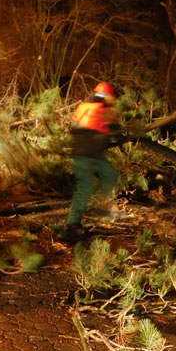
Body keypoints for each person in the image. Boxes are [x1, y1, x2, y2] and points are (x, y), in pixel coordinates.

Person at [64, 81, 121, 240]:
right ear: (108, 96)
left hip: (81, 154)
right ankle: (99, 206)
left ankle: (75, 222)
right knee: (109, 175)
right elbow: (116, 128)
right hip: (92, 155)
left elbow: (74, 125)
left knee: (86, 187)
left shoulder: (82, 106)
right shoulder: (107, 110)